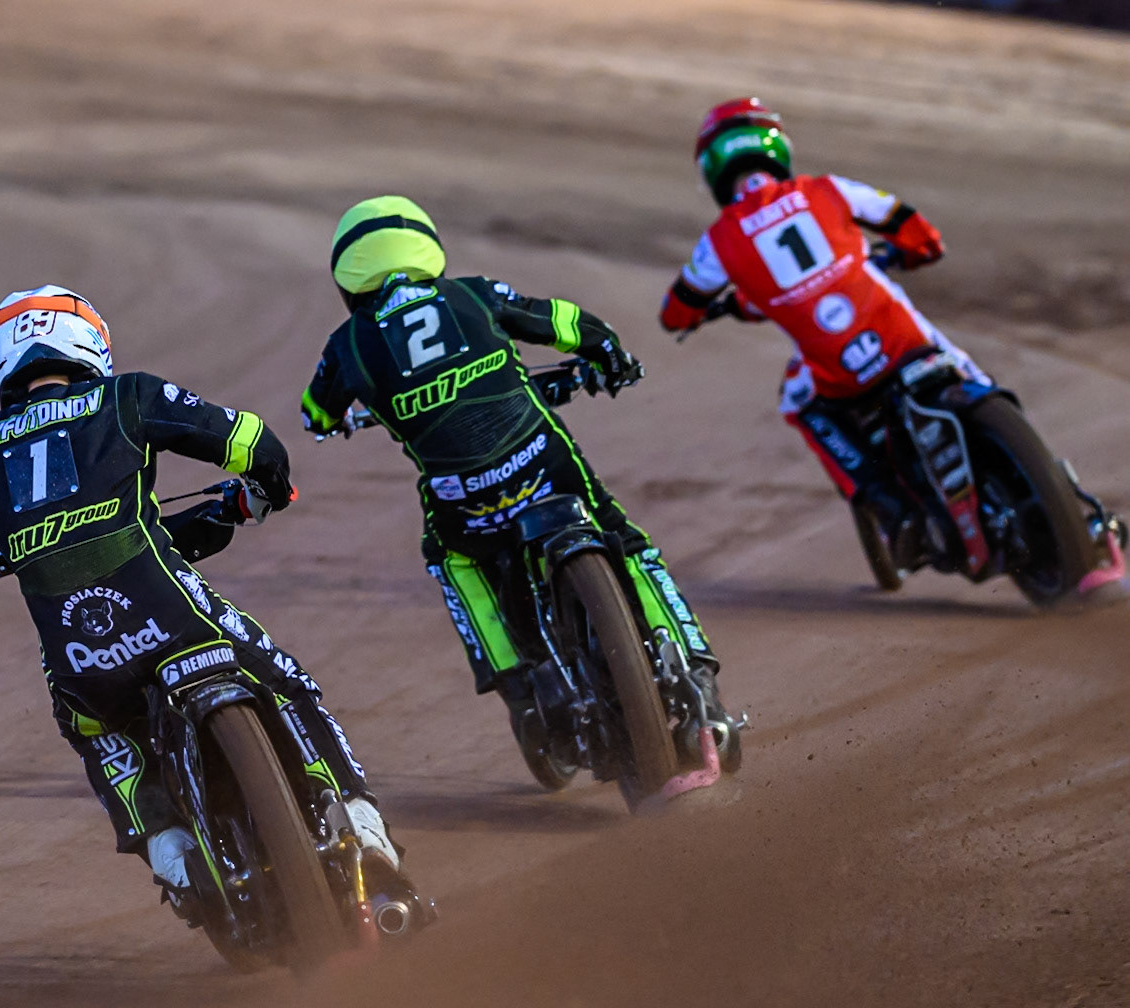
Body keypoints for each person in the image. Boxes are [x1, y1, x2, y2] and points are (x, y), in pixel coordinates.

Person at [0, 284, 398, 912]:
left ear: (0, 362)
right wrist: (264, 491)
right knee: (285, 681)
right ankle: (363, 827)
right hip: (176, 618)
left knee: (94, 729)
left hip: (84, 655)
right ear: (90, 344)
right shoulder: (125, 396)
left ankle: (171, 857)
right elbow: (254, 444)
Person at [300, 196, 725, 765]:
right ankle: (697, 675)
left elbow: (315, 415)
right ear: (427, 250)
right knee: (628, 543)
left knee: (452, 562)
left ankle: (521, 691)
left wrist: (345, 416)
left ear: (348, 277)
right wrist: (609, 356)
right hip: (544, 467)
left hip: (466, 501)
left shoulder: (345, 344)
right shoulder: (473, 292)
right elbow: (565, 323)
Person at [658, 97, 992, 561]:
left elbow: (675, 312)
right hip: (905, 340)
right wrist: (916, 251)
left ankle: (891, 507)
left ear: (713, 167)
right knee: (966, 369)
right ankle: (1063, 489)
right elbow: (912, 227)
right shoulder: (828, 189)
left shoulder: (719, 242)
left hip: (840, 374)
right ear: (776, 149)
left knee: (797, 401)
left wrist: (702, 312)